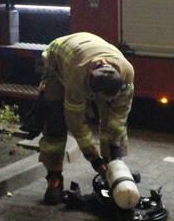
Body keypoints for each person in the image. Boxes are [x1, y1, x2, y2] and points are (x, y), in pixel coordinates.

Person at [36, 32, 135, 205]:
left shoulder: (126, 73)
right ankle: (54, 179)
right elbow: (76, 124)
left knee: (111, 119)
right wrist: (93, 157)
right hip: (57, 63)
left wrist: (114, 149)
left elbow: (119, 116)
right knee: (55, 122)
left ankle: (115, 168)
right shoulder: (77, 79)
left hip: (86, 50)